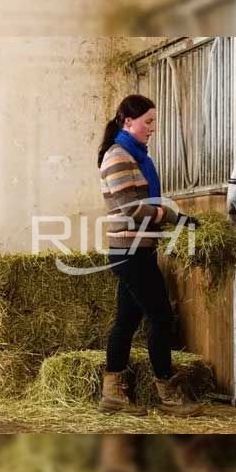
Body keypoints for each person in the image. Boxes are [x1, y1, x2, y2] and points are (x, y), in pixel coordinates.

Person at [97, 94, 202, 418]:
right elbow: (130, 208)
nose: (152, 128)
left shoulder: (137, 155)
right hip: (129, 251)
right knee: (160, 318)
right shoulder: (118, 156)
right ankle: (168, 394)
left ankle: (112, 394)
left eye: (154, 121)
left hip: (138, 249)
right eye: (148, 122)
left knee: (127, 321)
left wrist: (167, 217)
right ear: (128, 122)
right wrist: (170, 217)